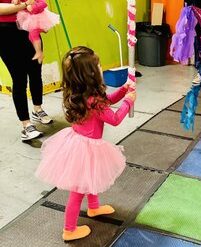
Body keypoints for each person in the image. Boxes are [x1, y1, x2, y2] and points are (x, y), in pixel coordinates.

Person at [35, 46, 136, 241]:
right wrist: (128, 102)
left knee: (91, 178)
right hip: (86, 148)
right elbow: (113, 118)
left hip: (79, 144)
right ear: (89, 74)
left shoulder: (80, 94)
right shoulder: (93, 101)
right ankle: (69, 229)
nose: (100, 67)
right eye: (97, 65)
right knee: (78, 190)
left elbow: (105, 102)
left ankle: (94, 207)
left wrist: (123, 91)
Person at [0, 0, 52, 141]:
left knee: (35, 73)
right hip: (5, 32)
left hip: (29, 28)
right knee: (19, 78)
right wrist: (25, 5)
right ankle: (26, 124)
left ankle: (38, 109)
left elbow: (40, 2)